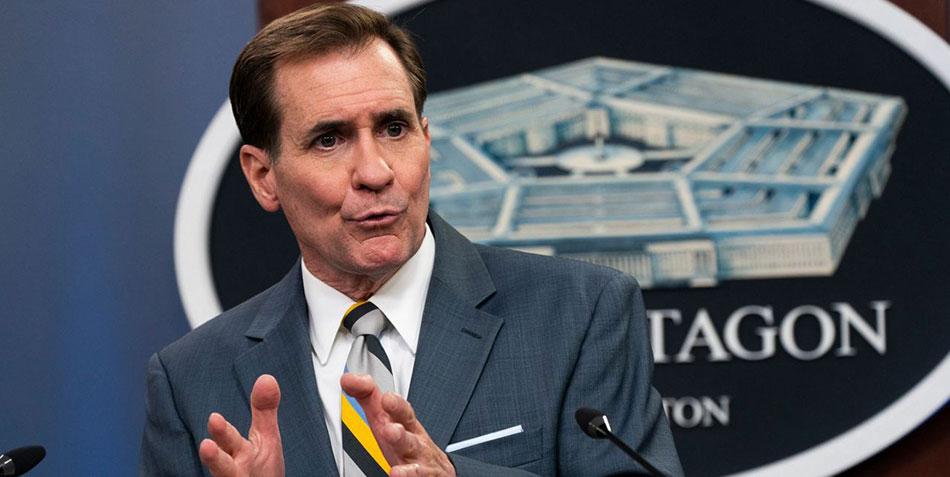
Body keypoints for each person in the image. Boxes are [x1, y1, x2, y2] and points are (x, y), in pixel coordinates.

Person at [140, 4, 682, 476]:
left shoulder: (578, 314)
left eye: (394, 129)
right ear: (263, 177)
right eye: (329, 140)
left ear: (426, 139)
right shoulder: (191, 380)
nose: (375, 172)